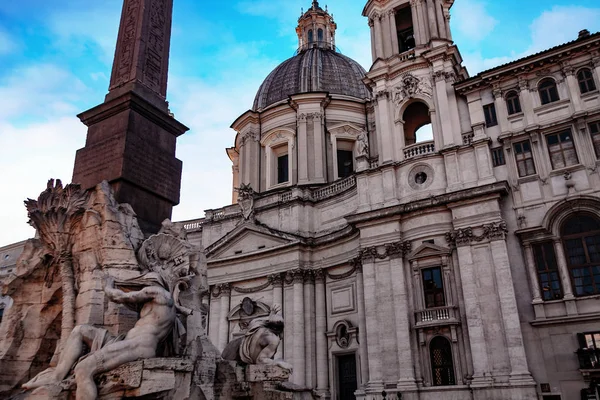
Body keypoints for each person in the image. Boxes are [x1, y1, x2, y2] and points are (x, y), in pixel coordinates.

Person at [22, 273, 190, 400]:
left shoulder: (158, 292)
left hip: (139, 346)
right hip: (125, 341)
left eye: (142, 282)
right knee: (80, 330)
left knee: (83, 369)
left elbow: (120, 296)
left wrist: (107, 285)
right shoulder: (157, 304)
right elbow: (131, 300)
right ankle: (57, 377)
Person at [222, 304, 292, 371]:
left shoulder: (257, 324)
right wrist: (277, 362)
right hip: (240, 358)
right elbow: (260, 360)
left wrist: (272, 314)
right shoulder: (273, 339)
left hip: (233, 346)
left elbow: (264, 320)